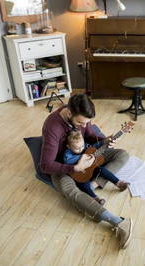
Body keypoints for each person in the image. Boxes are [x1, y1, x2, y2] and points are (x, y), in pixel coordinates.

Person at [40, 94, 132, 249]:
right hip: (64, 165)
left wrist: (104, 139)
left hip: (85, 155)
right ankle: (119, 222)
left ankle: (94, 183)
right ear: (69, 113)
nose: (84, 126)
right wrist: (74, 168)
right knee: (69, 190)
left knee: (122, 154)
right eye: (80, 123)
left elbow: (89, 136)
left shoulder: (82, 120)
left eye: (87, 122)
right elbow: (45, 165)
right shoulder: (52, 127)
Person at [63, 130, 129, 205]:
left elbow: (94, 147)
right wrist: (83, 156)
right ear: (68, 146)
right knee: (83, 184)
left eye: (82, 146)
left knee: (102, 170)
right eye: (77, 148)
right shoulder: (67, 154)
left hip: (92, 170)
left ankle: (118, 183)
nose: (81, 149)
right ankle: (95, 198)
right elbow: (68, 161)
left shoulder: (85, 146)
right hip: (80, 175)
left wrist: (104, 142)